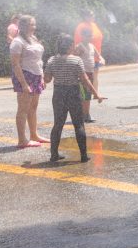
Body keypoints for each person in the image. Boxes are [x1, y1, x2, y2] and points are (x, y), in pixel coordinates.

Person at [44, 34, 103, 163]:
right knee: (79, 125)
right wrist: (96, 94)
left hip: (58, 94)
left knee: (58, 125)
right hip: (73, 93)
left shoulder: (51, 60)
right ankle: (84, 156)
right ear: (70, 46)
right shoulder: (76, 60)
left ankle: (54, 155)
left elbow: (47, 79)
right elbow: (85, 80)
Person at [10, 15, 49, 148]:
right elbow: (15, 64)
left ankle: (34, 135)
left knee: (33, 107)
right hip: (25, 76)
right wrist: (24, 84)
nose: (34, 27)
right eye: (32, 24)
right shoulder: (17, 42)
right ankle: (22, 140)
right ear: (24, 26)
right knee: (23, 109)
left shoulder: (33, 38)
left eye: (34, 24)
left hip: (36, 75)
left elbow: (38, 60)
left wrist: (42, 76)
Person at [74, 27, 104, 123]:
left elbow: (98, 56)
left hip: (90, 72)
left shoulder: (91, 46)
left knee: (88, 94)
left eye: (91, 36)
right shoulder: (79, 46)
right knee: (84, 94)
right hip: (82, 73)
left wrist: (102, 60)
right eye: (88, 36)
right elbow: (74, 58)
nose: (90, 38)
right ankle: (84, 114)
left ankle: (86, 114)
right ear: (82, 36)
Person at [74, 9, 104, 90]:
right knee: (86, 76)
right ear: (85, 16)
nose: (92, 16)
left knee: (95, 75)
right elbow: (78, 41)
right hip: (85, 56)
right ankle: (86, 93)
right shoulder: (81, 26)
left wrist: (99, 56)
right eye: (90, 15)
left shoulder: (94, 25)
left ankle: (95, 93)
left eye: (93, 15)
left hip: (95, 54)